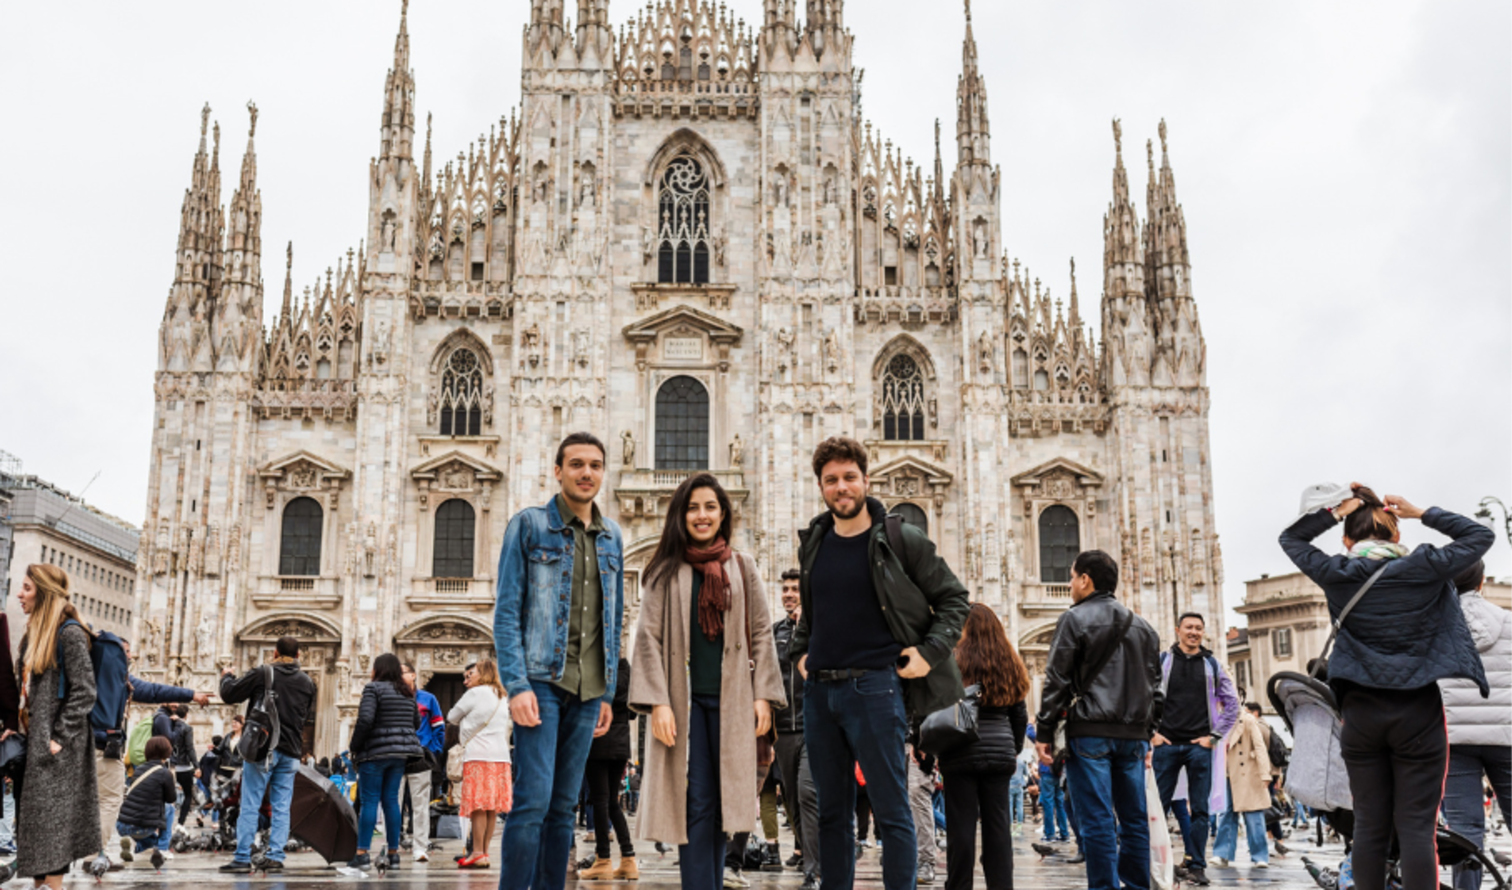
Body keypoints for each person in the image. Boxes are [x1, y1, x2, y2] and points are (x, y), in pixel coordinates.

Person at [1280, 485, 1492, 890]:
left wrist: (1336, 510)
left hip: (1360, 713)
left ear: (1346, 540)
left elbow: (1291, 538)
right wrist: (1421, 512)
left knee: (1370, 826)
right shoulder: (1424, 566)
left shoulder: (1337, 574)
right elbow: (1480, 537)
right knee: (1416, 828)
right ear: (1396, 536)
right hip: (1418, 710)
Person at [788, 437, 971, 890]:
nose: (841, 487)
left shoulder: (898, 538)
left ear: (866, 480)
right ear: (821, 487)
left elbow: (955, 600)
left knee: (891, 811)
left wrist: (928, 655)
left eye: (849, 477)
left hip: (874, 689)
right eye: (831, 480)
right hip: (820, 694)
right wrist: (800, 654)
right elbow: (812, 614)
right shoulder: (815, 542)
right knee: (831, 813)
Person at [628, 472, 785, 890]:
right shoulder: (665, 570)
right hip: (684, 704)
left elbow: (761, 631)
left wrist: (764, 696)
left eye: (710, 507)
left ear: (723, 514)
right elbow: (647, 638)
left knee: (724, 806)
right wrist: (657, 702)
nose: (702, 515)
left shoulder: (743, 566)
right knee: (695, 802)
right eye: (694, 507)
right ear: (682, 514)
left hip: (733, 699)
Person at [493, 432, 625, 890]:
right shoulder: (529, 526)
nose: (586, 473)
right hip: (541, 680)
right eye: (576, 464)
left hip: (589, 690)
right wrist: (516, 684)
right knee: (532, 799)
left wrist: (607, 691)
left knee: (564, 804)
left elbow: (614, 620)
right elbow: (507, 610)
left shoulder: (612, 538)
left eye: (594, 465)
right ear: (558, 471)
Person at [1034, 550, 1162, 890]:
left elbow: (1057, 680)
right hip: (1133, 735)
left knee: (1098, 819)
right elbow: (1157, 689)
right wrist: (1147, 731)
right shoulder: (1145, 628)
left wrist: (1044, 730)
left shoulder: (1074, 619)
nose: (1070, 583)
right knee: (1134, 819)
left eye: (1073, 576)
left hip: (1089, 732)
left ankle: (1105, 887)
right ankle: (1136, 886)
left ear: (1085, 580)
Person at [7, 564, 100, 887]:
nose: (20, 594)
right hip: (35, 745)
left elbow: (85, 690)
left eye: (27, 588)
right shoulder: (34, 633)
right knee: (36, 829)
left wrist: (58, 737)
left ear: (44, 593)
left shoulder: (70, 633)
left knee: (52, 831)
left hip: (60, 750)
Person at [938, 603, 1030, 890]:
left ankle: (959, 885)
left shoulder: (951, 661)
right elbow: (1020, 714)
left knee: (961, 829)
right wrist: (1011, 748)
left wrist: (933, 752)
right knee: (998, 828)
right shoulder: (1009, 661)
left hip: (960, 751)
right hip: (1000, 753)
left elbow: (937, 709)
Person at [94, 640, 205, 867]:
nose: (131, 656)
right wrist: (191, 695)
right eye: (126, 652)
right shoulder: (118, 679)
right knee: (111, 801)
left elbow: (154, 691)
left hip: (85, 745)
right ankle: (101, 855)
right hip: (103, 745)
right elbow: (153, 691)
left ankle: (111, 851)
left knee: (96, 801)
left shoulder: (96, 673)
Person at [1151, 612, 1240, 887]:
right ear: (1177, 630)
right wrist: (1150, 733)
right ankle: (1153, 863)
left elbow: (1232, 704)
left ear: (1203, 632)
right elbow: (1142, 695)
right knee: (1157, 807)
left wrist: (1213, 737)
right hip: (1166, 745)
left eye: (1198, 628)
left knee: (1200, 809)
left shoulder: (1212, 664)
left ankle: (1197, 865)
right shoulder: (1162, 662)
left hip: (1198, 747)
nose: (1194, 632)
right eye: (1189, 627)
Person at [217, 635, 317, 874]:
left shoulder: (264, 673)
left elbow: (230, 694)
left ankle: (242, 856)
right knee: (282, 806)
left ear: (274, 653)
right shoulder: (308, 682)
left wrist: (226, 676)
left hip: (264, 749)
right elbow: (306, 717)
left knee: (251, 801)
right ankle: (275, 855)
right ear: (299, 656)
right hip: (292, 751)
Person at [1439, 559, 1511, 890]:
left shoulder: (1432, 627)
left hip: (1453, 738)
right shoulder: (1508, 623)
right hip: (1506, 734)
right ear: (1481, 582)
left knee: (1465, 830)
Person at [348, 653, 423, 871]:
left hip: (375, 754)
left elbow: (365, 719)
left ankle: (362, 853)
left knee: (370, 801)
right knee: (391, 801)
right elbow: (416, 722)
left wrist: (355, 745)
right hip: (399, 755)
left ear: (378, 669)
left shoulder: (374, 689)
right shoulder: (408, 692)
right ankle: (393, 854)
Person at [772, 570, 821, 890]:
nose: (789, 594)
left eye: (795, 589)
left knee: (807, 793)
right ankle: (808, 856)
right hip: (783, 728)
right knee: (792, 799)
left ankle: (815, 870)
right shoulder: (774, 631)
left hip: (813, 725)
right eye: (785, 589)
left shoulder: (820, 626)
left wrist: (809, 625)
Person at [448, 657, 515, 870]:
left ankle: (476, 853)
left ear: (483, 673)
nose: (468, 678)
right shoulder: (502, 695)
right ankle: (484, 852)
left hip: (478, 754)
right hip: (501, 757)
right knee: (491, 808)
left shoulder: (474, 694)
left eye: (472, 674)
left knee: (478, 806)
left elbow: (451, 717)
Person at [580, 657, 637, 881]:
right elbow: (633, 711)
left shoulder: (597, 666)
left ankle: (603, 859)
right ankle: (628, 858)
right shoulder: (626, 669)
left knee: (600, 800)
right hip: (621, 742)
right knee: (612, 801)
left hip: (598, 738)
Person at [1211, 704, 1272, 869]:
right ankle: (1221, 854)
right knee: (1225, 814)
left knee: (1254, 816)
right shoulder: (1215, 720)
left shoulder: (1247, 720)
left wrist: (1265, 773)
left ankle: (1260, 856)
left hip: (1247, 774)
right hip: (1225, 774)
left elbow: (1260, 747)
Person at [400, 662, 445, 863]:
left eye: (403, 673)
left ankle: (420, 846)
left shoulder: (428, 699)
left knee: (420, 805)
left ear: (414, 674)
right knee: (393, 802)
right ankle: (391, 844)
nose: (400, 676)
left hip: (420, 755)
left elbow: (439, 726)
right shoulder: (394, 697)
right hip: (397, 754)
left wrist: (433, 750)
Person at [115, 736, 177, 861]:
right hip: (141, 828)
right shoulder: (165, 773)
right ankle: (163, 849)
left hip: (122, 825)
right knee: (169, 809)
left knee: (151, 837)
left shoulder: (139, 770)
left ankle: (135, 847)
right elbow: (171, 799)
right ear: (166, 752)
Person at [170, 704, 199, 828]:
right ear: (186, 714)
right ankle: (180, 823)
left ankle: (165, 822)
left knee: (167, 795)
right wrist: (197, 766)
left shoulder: (170, 725)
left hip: (171, 766)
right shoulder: (187, 728)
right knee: (188, 795)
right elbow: (189, 748)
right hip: (184, 767)